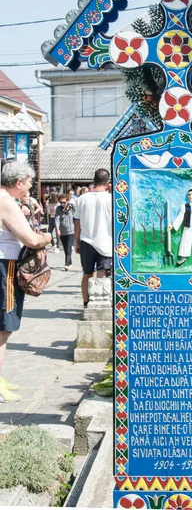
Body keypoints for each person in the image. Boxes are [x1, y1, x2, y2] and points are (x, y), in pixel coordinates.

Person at [0, 162, 51, 402]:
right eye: (29, 182)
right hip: (5, 266)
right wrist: (47, 237)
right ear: (19, 182)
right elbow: (30, 238)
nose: (31, 186)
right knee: (3, 327)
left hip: (6, 264)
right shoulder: (6, 201)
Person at [74, 169, 112, 308]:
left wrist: (77, 241)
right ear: (107, 183)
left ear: (93, 180)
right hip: (105, 241)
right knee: (102, 273)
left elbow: (77, 222)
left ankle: (86, 303)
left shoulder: (82, 198)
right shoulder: (111, 198)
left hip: (86, 240)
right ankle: (101, 304)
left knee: (87, 273)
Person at [55, 194, 75, 271]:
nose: (63, 204)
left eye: (64, 202)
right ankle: (69, 262)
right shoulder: (58, 209)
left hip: (71, 230)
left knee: (69, 247)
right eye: (61, 202)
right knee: (65, 248)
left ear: (67, 201)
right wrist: (57, 229)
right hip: (62, 231)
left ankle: (66, 263)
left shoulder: (72, 207)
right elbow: (57, 219)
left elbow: (76, 216)